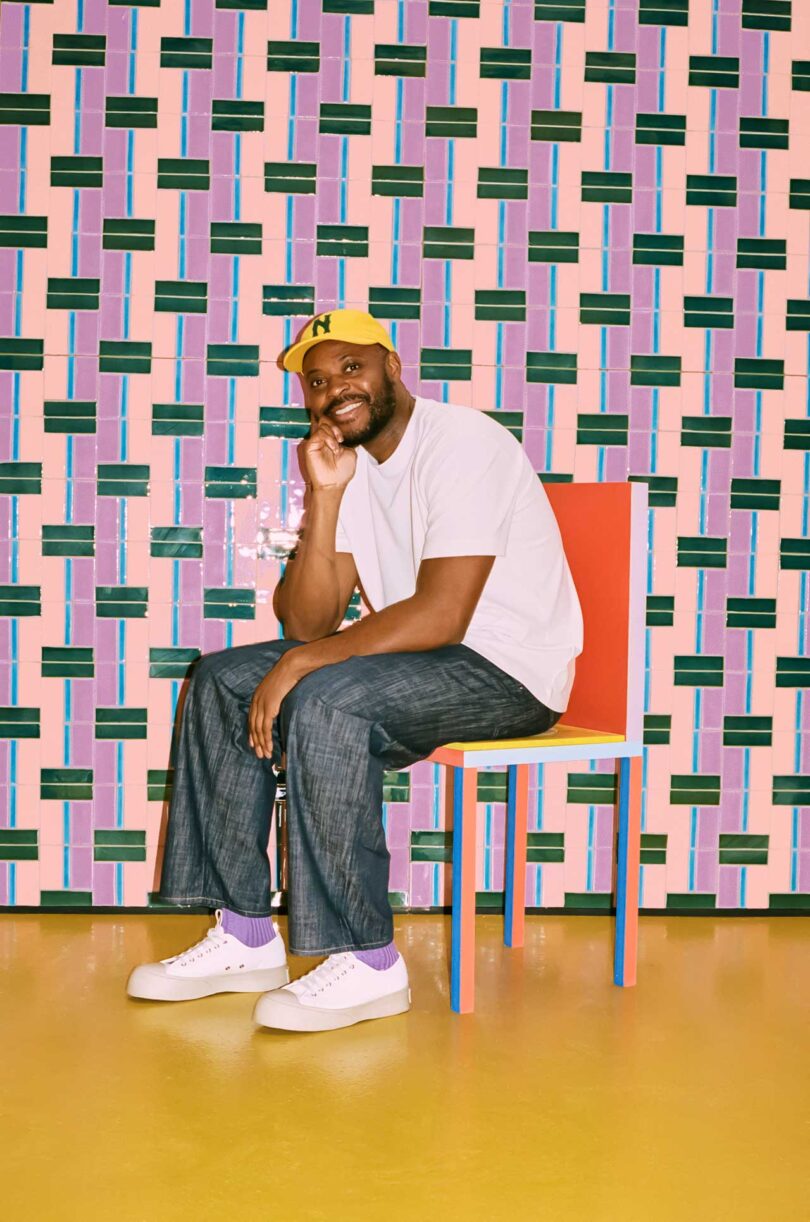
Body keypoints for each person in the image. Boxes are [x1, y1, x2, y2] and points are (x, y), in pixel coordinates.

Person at [127, 309, 583, 1031]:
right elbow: (306, 622)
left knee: (328, 699)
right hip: (425, 661)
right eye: (316, 379)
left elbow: (441, 616)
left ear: (391, 367)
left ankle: (368, 961)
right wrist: (327, 496)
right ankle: (245, 935)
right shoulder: (354, 468)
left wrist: (305, 666)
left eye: (350, 366)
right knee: (221, 680)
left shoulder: (461, 441)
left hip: (508, 671)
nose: (334, 387)